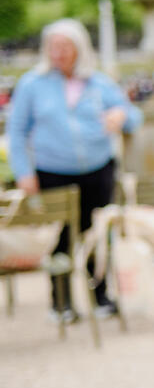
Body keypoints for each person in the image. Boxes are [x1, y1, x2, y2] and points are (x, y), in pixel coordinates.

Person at [6, 18, 144, 323]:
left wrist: (121, 115)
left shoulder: (97, 82)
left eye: (64, 46)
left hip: (97, 169)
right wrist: (23, 172)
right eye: (53, 46)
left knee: (98, 235)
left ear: (79, 48)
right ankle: (61, 302)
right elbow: (16, 132)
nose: (58, 52)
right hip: (53, 171)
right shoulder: (32, 84)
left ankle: (101, 297)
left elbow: (133, 116)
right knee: (61, 238)